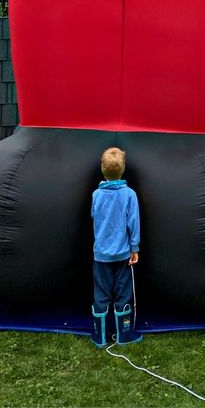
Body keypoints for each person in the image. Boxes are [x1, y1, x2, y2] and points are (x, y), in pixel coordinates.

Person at [90, 147, 143, 348]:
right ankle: (124, 335)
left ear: (102, 168)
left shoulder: (96, 195)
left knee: (101, 294)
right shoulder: (129, 195)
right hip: (122, 255)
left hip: (101, 254)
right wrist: (134, 248)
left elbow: (94, 217)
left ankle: (100, 336)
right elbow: (133, 223)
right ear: (123, 169)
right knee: (123, 293)